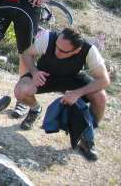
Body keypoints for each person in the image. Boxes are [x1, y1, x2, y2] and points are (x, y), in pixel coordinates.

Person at [14, 27, 110, 160]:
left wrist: (77, 93)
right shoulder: (48, 38)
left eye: (62, 51)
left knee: (100, 97)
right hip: (45, 75)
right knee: (21, 90)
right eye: (56, 46)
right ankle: (35, 109)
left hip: (72, 79)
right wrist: (34, 72)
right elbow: (26, 54)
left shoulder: (89, 50)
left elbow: (104, 80)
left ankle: (87, 136)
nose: (56, 51)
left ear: (77, 50)